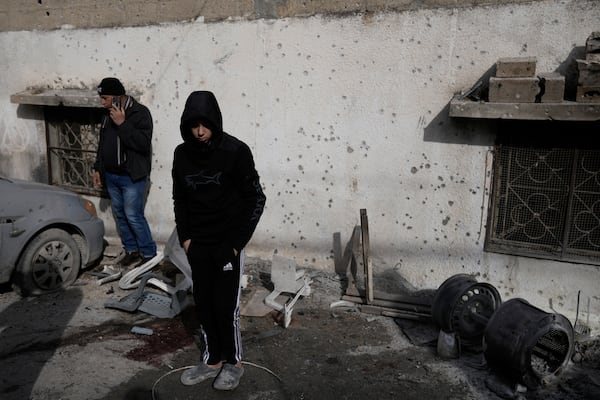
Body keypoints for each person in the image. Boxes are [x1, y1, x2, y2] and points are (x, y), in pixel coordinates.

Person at [172, 91, 266, 391]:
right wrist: (185, 238)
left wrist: (236, 243)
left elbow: (256, 198)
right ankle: (212, 358)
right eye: (193, 125)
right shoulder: (181, 154)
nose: (199, 131)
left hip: (227, 243)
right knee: (204, 303)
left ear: (215, 122)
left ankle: (233, 362)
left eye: (205, 124)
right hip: (197, 243)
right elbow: (180, 198)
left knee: (226, 306)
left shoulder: (236, 152)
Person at [93, 77, 157, 268]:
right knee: (120, 215)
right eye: (101, 98)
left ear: (118, 97)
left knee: (133, 216)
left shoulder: (140, 113)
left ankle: (148, 254)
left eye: (105, 98)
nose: (102, 102)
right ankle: (131, 251)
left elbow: (143, 144)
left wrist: (123, 123)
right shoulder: (106, 115)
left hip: (131, 176)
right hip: (111, 176)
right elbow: (102, 144)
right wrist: (97, 168)